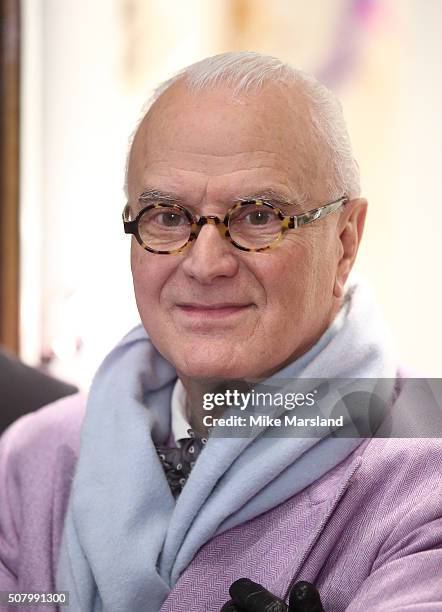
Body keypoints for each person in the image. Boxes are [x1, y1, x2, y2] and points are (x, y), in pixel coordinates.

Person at [0, 51, 441, 612]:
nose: (206, 264)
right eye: (167, 215)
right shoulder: (31, 458)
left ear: (345, 243)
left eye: (258, 216)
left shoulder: (426, 475)